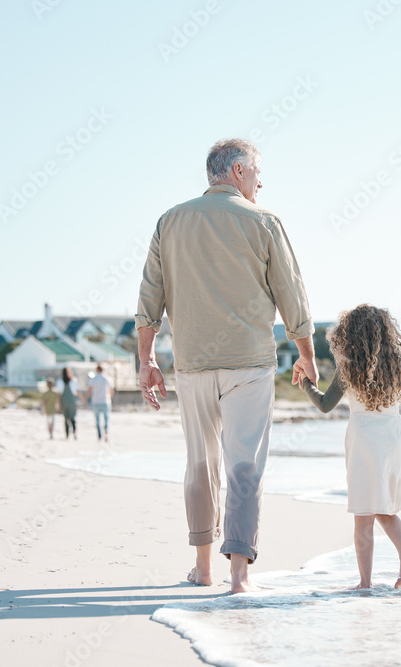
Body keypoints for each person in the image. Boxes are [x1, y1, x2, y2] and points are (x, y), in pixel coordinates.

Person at [135, 138, 316, 594]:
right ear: (237, 171)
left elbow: (148, 299)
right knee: (244, 466)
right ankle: (239, 574)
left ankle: (203, 567)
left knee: (201, 463)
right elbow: (292, 294)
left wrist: (146, 360)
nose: (261, 180)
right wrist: (308, 354)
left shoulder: (170, 221)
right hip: (250, 363)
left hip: (193, 364)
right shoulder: (265, 222)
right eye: (257, 171)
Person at [301, 305, 401, 591]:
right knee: (386, 507)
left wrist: (306, 382)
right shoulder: (400, 365)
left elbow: (325, 405)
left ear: (349, 334)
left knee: (364, 515)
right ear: (386, 332)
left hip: (364, 439)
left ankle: (365, 583)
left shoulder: (349, 367)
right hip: (393, 439)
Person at [85, 365, 113, 441]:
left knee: (97, 420)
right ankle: (106, 432)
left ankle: (99, 435)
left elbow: (89, 390)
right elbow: (111, 390)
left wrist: (85, 399)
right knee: (106, 418)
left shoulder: (94, 379)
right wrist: (110, 397)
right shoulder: (107, 378)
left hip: (96, 401)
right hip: (105, 401)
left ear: (97, 370)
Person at [55, 367, 82, 440]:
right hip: (72, 402)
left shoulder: (60, 382)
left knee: (66, 419)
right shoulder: (73, 381)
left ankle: (67, 435)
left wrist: (59, 405)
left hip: (64, 402)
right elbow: (78, 392)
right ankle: (74, 433)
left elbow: (58, 395)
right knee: (73, 418)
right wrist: (83, 399)